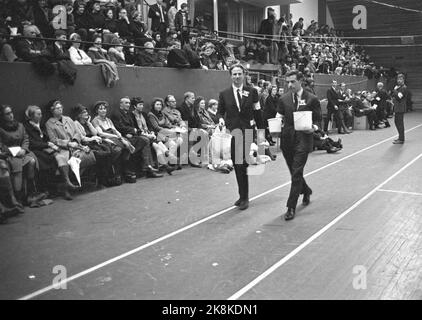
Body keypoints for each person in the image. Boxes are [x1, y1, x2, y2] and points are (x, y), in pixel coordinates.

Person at [276, 70, 321, 221]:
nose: (290, 84)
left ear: (300, 81)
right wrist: (275, 127)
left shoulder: (312, 99)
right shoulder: (283, 99)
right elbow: (279, 116)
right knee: (294, 171)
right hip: (287, 139)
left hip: (304, 139)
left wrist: (313, 128)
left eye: (293, 81)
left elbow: (318, 120)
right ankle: (306, 190)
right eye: (287, 82)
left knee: (296, 172)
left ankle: (291, 206)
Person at [217, 64, 260, 211]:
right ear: (231, 76)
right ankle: (242, 195)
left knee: (241, 163)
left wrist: (261, 132)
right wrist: (221, 120)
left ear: (244, 75)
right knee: (238, 165)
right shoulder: (224, 94)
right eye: (234, 74)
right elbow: (220, 112)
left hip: (247, 131)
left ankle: (244, 197)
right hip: (233, 132)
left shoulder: (252, 91)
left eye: (239, 74)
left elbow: (258, 111)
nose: (237, 76)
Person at [23, 105, 77, 200]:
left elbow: (48, 139)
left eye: (41, 114)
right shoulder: (27, 127)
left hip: (47, 148)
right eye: (38, 114)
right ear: (31, 116)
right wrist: (48, 144)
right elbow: (32, 143)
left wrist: (51, 145)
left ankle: (66, 183)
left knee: (61, 157)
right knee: (52, 160)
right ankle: (62, 186)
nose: (41, 116)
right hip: (37, 151)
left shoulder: (42, 125)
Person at [0, 105, 39, 207]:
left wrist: (24, 149)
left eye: (11, 112)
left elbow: (26, 139)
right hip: (9, 155)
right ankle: (18, 198)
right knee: (17, 166)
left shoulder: (20, 126)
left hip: (22, 152)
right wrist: (13, 152)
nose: (11, 115)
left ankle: (31, 193)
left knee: (31, 161)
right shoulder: (1, 129)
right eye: (7, 114)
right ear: (2, 116)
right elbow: (1, 145)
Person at [391, 73, 408, 144]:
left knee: (399, 123)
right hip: (397, 108)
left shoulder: (404, 88)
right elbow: (394, 95)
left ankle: (401, 139)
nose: (399, 80)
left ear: (403, 80)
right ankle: (400, 137)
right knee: (397, 122)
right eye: (398, 79)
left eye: (400, 79)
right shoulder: (399, 87)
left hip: (400, 108)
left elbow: (398, 97)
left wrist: (394, 90)